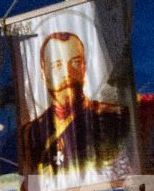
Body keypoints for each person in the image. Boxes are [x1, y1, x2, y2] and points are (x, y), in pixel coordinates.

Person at [19, 33, 129, 183]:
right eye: (57, 65)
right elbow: (33, 182)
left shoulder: (113, 118)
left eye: (75, 62)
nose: (67, 73)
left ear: (84, 68)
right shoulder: (32, 133)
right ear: (44, 74)